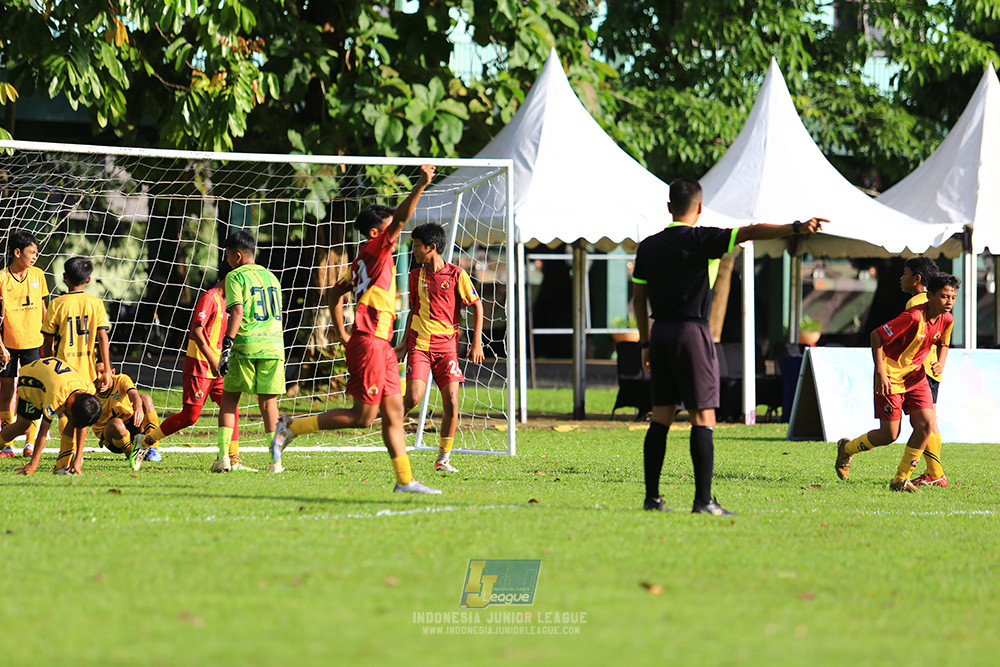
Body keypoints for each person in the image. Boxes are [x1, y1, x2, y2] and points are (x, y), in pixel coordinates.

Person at [633, 177, 825, 515]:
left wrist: (645, 342)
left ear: (668, 207)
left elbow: (638, 298)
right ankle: (703, 501)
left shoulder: (648, 246)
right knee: (703, 416)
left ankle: (652, 499)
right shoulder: (704, 238)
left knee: (660, 417)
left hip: (659, 333)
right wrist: (796, 227)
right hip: (692, 333)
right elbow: (751, 231)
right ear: (700, 207)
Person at [270, 165, 442, 494]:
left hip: (377, 344)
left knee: (393, 412)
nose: (396, 228)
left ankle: (404, 481)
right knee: (364, 417)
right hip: (372, 344)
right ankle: (291, 427)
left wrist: (345, 333)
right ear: (377, 233)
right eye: (389, 225)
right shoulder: (377, 249)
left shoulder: (364, 257)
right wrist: (421, 182)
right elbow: (403, 218)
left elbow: (335, 293)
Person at [835, 272, 958, 492]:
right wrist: (880, 372)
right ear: (929, 295)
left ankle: (900, 479)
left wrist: (940, 362)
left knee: (926, 425)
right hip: (891, 375)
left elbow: (944, 342)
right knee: (889, 435)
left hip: (917, 376)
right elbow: (876, 336)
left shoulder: (947, 319)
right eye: (944, 297)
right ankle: (847, 448)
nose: (949, 302)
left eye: (953, 298)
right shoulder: (913, 317)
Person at [139, 266, 253, 469]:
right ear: (228, 278)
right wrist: (212, 360)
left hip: (219, 367)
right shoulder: (209, 297)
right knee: (190, 417)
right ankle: (146, 441)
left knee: (231, 408)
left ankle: (232, 459)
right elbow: (197, 331)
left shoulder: (231, 303)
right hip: (200, 365)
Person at [395, 222, 484, 473]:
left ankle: (443, 459)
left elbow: (476, 305)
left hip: (447, 349)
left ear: (431, 248)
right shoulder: (415, 276)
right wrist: (404, 343)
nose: (413, 250)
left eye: (416, 246)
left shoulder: (457, 275)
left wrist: (476, 342)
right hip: (420, 345)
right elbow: (414, 310)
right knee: (413, 396)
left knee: (452, 405)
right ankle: (389, 425)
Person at [213, 231, 284, 473]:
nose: (227, 261)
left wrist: (227, 344)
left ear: (238, 255)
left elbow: (238, 312)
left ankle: (223, 458)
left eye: (228, 256)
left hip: (246, 344)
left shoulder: (235, 276)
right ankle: (276, 462)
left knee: (230, 399)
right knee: (269, 405)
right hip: (274, 345)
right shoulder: (272, 278)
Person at [41, 256, 113, 472]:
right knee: (82, 416)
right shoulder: (95, 303)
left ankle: (65, 460)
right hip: (87, 371)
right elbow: (103, 338)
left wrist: (48, 363)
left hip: (63, 371)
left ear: (64, 278)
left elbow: (48, 340)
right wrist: (107, 370)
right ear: (89, 280)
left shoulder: (56, 304)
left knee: (66, 414)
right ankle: (78, 459)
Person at [0, 357, 102, 475]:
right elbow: (43, 431)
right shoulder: (56, 396)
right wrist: (34, 463)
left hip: (53, 379)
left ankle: (61, 466)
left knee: (74, 421)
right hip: (31, 381)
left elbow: (81, 424)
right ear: (69, 404)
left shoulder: (89, 389)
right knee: (23, 426)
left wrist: (78, 458)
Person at [899, 257, 947, 487]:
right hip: (933, 370)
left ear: (917, 279)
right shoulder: (938, 302)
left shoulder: (916, 304)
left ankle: (935, 473)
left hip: (918, 371)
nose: (901, 278)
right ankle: (934, 473)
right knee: (930, 423)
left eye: (905, 273)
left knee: (923, 424)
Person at [0, 230, 49, 458]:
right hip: (7, 344)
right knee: (7, 389)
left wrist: (50, 336)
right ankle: (6, 439)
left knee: (31, 391)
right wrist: (0, 345)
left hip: (33, 343)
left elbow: (43, 309)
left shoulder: (38, 275)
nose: (34, 257)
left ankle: (31, 441)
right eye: (31, 252)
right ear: (17, 252)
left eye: (36, 253)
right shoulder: (2, 278)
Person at [92, 362, 161, 472]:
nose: (98, 377)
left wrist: (138, 408)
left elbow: (134, 394)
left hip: (133, 425)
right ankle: (133, 454)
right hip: (112, 437)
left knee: (145, 399)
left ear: (112, 372)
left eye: (102, 372)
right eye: (94, 373)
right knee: (117, 423)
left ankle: (153, 449)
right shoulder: (90, 391)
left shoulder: (121, 380)